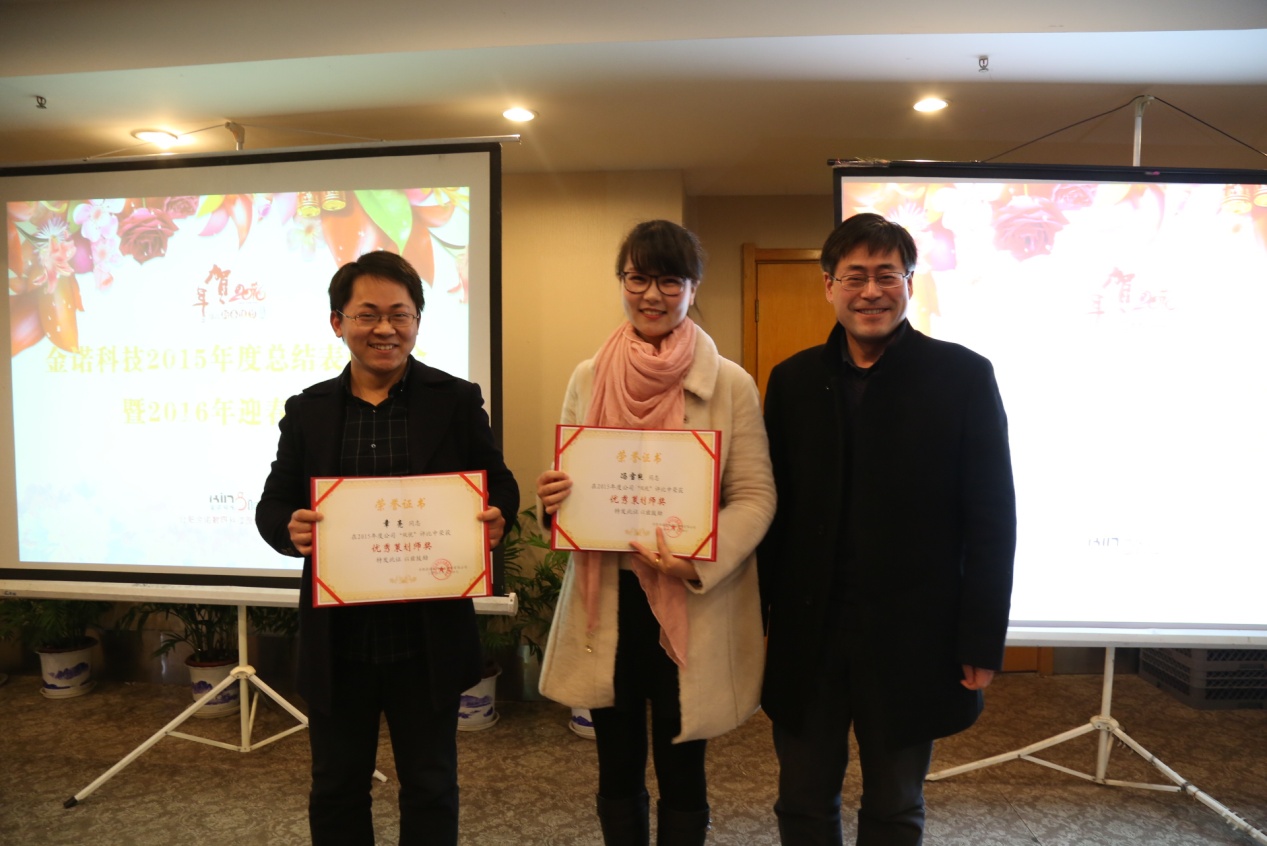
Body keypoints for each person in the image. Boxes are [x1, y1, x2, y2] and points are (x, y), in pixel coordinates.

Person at [758, 213, 1016, 846]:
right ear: (829, 285)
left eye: (886, 275)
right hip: (810, 634)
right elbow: (772, 509)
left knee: (896, 804)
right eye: (854, 277)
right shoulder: (792, 381)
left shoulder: (961, 376)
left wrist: (981, 638)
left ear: (909, 283)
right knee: (801, 799)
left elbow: (992, 515)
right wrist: (755, 619)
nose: (870, 291)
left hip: (914, 634)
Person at [255, 250, 519, 846]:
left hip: (424, 639)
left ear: (417, 321)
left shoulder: (455, 400)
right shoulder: (308, 411)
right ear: (337, 322)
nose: (385, 328)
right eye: (367, 314)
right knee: (336, 787)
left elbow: (500, 485)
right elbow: (273, 505)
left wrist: (498, 515)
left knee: (430, 784)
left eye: (400, 314)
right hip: (339, 641)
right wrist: (289, 529)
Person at [536, 220, 775, 846]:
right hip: (609, 599)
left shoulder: (730, 383)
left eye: (670, 280)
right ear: (621, 281)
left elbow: (755, 497)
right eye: (638, 278)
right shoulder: (588, 376)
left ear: (694, 288)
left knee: (682, 762)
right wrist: (554, 502)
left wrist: (697, 563)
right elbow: (570, 487)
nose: (651, 294)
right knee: (615, 762)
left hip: (689, 601)